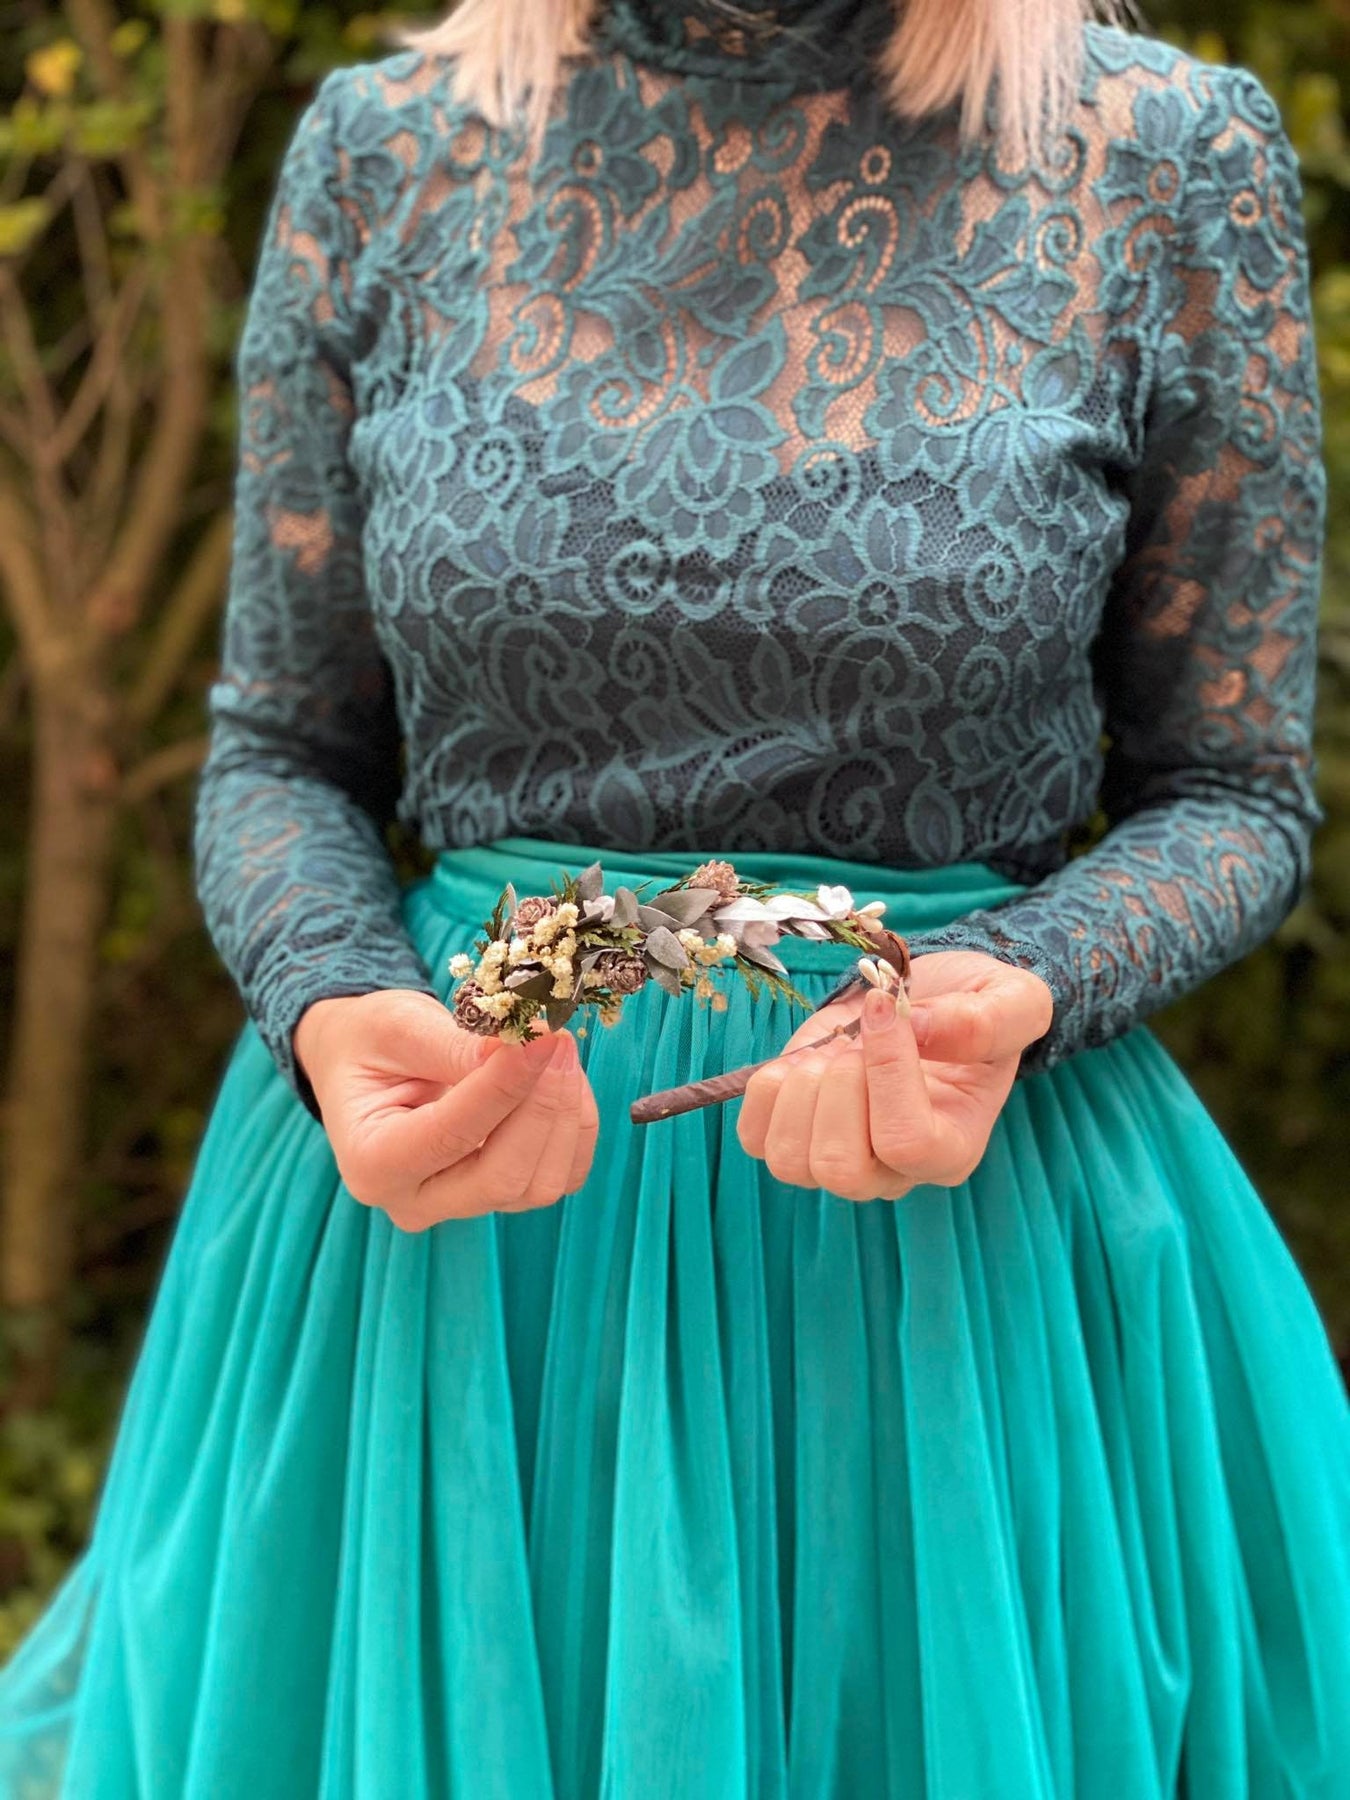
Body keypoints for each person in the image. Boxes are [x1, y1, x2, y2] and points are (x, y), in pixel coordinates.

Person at [3, 0, 1350, 1791]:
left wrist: (1024, 982)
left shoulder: (1161, 160)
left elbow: (1230, 793)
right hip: (450, 1256)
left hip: (945, 1266)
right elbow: (281, 749)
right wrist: (331, 1000)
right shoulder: (388, 153)